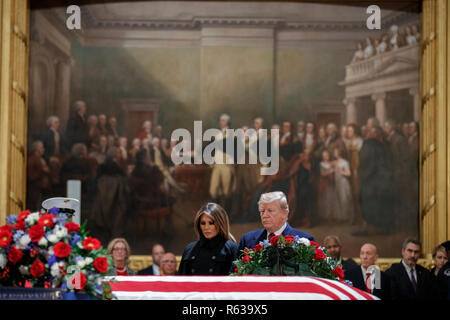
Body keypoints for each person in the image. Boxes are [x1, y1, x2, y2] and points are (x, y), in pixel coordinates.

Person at [238, 191, 314, 253]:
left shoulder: (305, 240)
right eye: (262, 211)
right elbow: (235, 271)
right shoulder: (247, 240)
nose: (265, 215)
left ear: (284, 213)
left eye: (270, 211)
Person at [178, 203, 239, 275]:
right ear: (198, 225)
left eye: (211, 223)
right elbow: (181, 279)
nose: (206, 227)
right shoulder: (189, 249)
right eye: (203, 223)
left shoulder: (231, 248)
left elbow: (237, 280)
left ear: (221, 223)